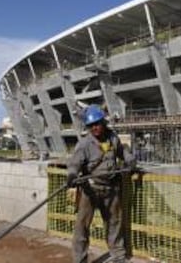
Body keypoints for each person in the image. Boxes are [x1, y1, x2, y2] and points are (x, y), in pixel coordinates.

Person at [66, 104, 135, 263]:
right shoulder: (84, 144)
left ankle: (118, 256)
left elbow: (122, 152)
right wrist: (72, 175)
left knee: (114, 223)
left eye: (97, 123)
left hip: (111, 189)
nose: (95, 128)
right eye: (91, 125)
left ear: (103, 123)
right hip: (90, 189)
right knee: (82, 227)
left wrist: (130, 160)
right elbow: (75, 163)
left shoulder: (113, 138)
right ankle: (80, 259)